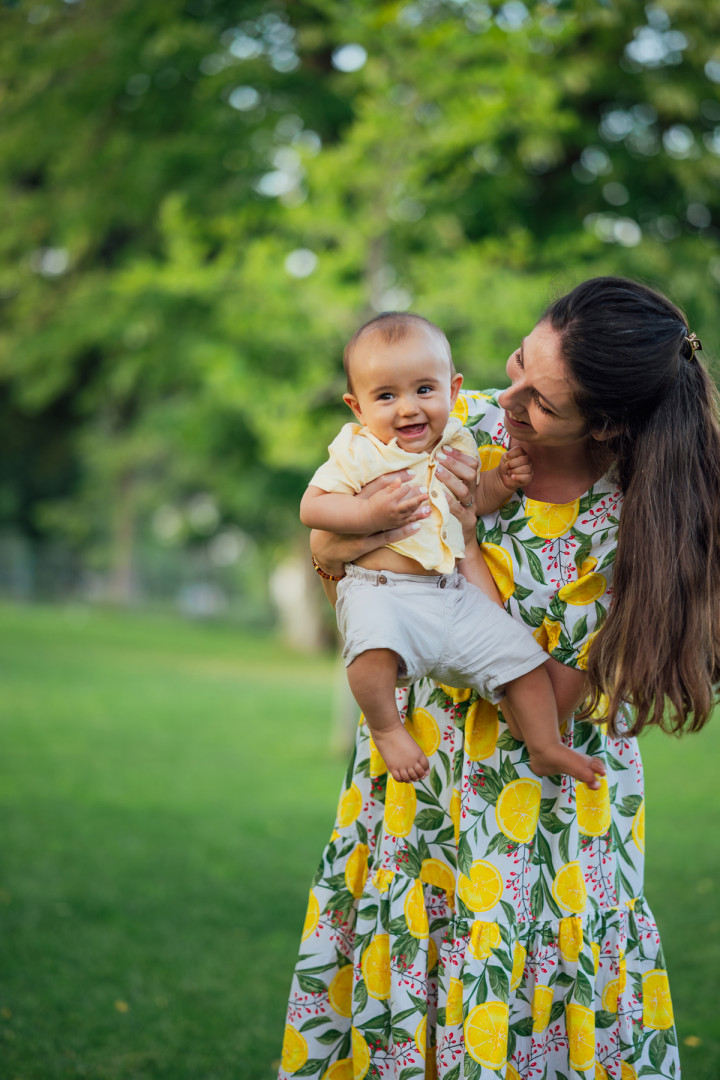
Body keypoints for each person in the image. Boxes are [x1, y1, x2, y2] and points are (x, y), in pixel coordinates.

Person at [279, 277, 720, 1080]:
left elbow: (547, 700)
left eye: (542, 402)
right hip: (419, 797)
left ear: (611, 423)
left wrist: (469, 555)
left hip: (547, 832)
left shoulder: (647, 529)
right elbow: (335, 562)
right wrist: (348, 547)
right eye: (518, 363)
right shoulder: (452, 422)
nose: (505, 398)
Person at [300, 312, 604, 786]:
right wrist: (367, 518)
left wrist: (499, 481)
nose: (407, 409)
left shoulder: (455, 438)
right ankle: (387, 728)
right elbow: (313, 509)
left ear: (452, 389)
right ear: (356, 407)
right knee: (370, 649)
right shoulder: (359, 451)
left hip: (451, 593)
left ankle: (545, 747)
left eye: (424, 390)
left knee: (522, 663)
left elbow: (469, 504)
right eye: (385, 396)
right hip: (383, 587)